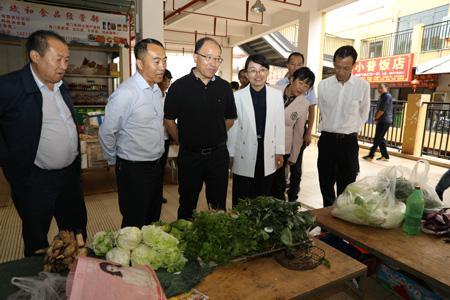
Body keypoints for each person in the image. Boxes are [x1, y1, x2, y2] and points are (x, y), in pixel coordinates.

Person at [0, 30, 87, 257]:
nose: (64, 65)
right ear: (35, 56)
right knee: (37, 236)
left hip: (69, 176)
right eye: (58, 58)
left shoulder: (61, 86)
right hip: (34, 180)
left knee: (76, 231)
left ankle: (76, 277)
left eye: (66, 59)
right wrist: (8, 159)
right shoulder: (9, 86)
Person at [164, 37, 237, 219]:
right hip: (190, 157)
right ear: (195, 57)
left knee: (218, 205)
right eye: (208, 57)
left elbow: (230, 118)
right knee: (187, 204)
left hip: (218, 156)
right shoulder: (179, 87)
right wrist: (184, 140)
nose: (213, 64)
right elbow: (169, 121)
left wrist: (214, 133)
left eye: (217, 59)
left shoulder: (224, 87)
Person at [99, 38, 166, 228]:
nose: (162, 66)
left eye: (164, 60)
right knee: (133, 223)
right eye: (156, 61)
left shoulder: (156, 91)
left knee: (152, 219)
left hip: (155, 165)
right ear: (139, 63)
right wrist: (115, 161)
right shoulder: (126, 93)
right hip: (133, 168)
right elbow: (107, 133)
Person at [228, 54, 285, 206]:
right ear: (246, 74)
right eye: (252, 70)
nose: (258, 75)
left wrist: (279, 150)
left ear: (268, 72)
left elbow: (278, 125)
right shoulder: (237, 96)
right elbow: (234, 128)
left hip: (267, 150)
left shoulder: (276, 95)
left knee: (264, 196)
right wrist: (231, 153)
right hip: (244, 151)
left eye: (262, 70)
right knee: (243, 196)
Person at [317, 45, 370, 207]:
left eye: (346, 68)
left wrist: (350, 128)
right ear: (334, 64)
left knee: (347, 186)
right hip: (327, 140)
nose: (341, 72)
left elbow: (363, 113)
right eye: (337, 67)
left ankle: (341, 222)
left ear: (353, 66)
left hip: (348, 143)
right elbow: (324, 111)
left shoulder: (362, 86)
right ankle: (327, 221)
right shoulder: (324, 85)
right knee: (325, 183)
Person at [276, 52, 317, 202]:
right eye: (301, 83)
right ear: (292, 79)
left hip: (285, 145)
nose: (302, 88)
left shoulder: (304, 103)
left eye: (307, 86)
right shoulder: (275, 90)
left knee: (282, 180)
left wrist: (294, 155)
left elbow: (299, 132)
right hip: (268, 142)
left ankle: (288, 202)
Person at [362, 83, 392, 161]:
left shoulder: (386, 97)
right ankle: (385, 156)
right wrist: (376, 118)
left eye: (381, 88)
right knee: (380, 138)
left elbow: (382, 110)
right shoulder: (382, 97)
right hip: (382, 120)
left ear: (386, 88)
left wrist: (375, 118)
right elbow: (379, 109)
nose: (379, 89)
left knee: (378, 138)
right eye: (378, 88)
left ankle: (371, 155)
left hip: (384, 120)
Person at [158, 69, 173, 204]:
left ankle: (158, 194)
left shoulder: (168, 96)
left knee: (161, 168)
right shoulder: (153, 95)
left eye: (169, 81)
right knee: (153, 169)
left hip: (165, 137)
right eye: (165, 80)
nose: (167, 83)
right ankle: (152, 194)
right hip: (154, 138)